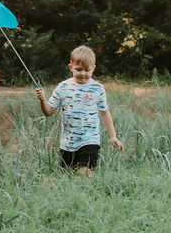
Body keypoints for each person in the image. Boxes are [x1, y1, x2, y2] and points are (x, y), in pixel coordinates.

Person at [35, 45, 124, 173]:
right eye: (78, 69)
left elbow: (104, 112)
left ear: (93, 69)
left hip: (90, 139)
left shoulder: (98, 88)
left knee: (85, 173)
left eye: (87, 70)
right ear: (71, 67)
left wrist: (113, 136)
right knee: (68, 175)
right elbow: (48, 112)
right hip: (68, 142)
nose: (83, 73)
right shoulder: (63, 88)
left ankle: (90, 192)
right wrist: (42, 100)